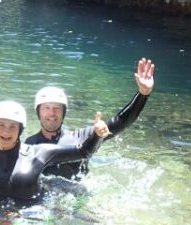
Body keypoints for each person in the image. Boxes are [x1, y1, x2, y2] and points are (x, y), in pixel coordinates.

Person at [0, 100, 110, 202]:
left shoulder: (39, 153)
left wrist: (97, 135)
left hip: (34, 217)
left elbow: (83, 152)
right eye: (1, 125)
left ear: (20, 130)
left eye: (13, 126)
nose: (6, 131)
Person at [24, 57, 155, 179]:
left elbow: (120, 122)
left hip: (77, 193)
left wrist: (143, 94)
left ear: (64, 112)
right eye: (46, 108)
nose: (52, 113)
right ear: (38, 112)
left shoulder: (82, 137)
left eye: (57, 108)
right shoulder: (28, 145)